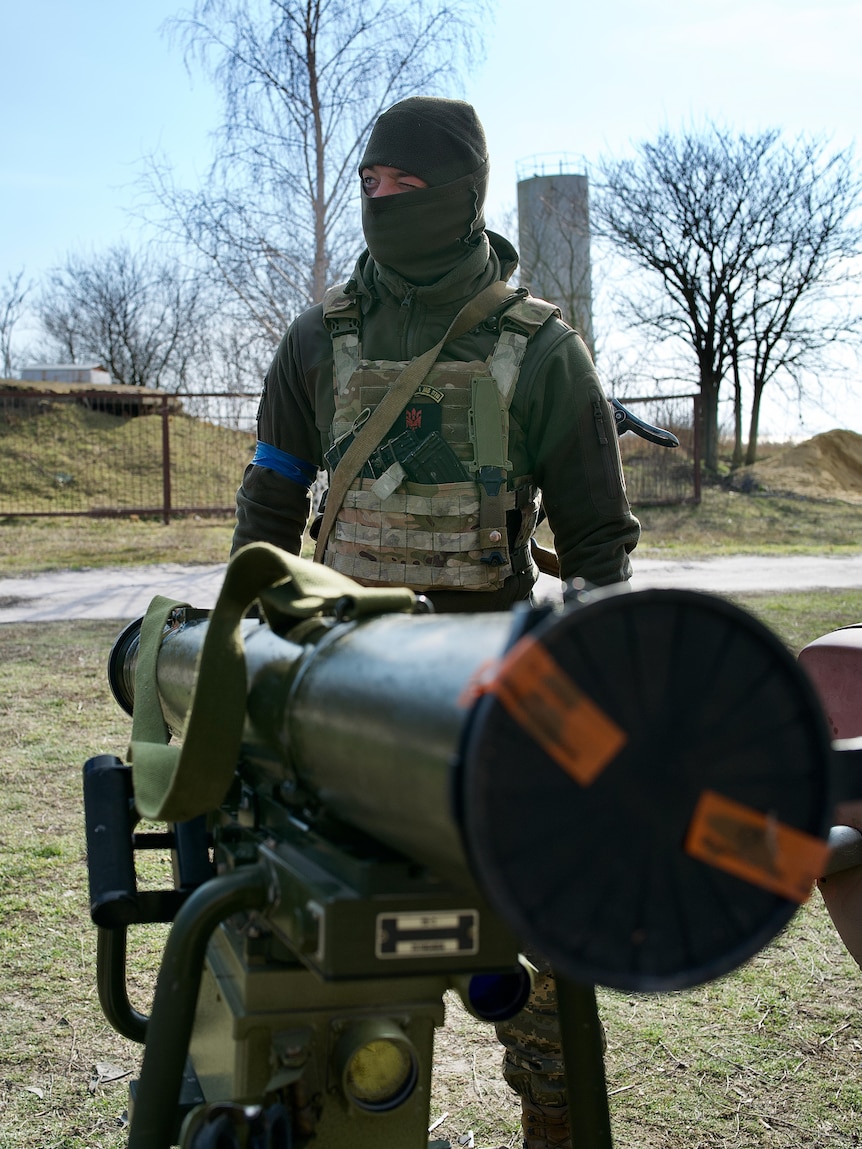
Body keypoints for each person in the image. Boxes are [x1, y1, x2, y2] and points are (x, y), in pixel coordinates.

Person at [233, 96, 640, 1149]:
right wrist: (249, 642)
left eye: (404, 186)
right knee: (286, 953)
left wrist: (603, 702)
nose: (381, 201)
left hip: (489, 705)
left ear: (461, 191)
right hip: (332, 691)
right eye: (368, 185)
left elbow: (600, 553)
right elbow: (269, 515)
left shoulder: (543, 353)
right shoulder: (313, 343)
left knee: (553, 952)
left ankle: (555, 1116)